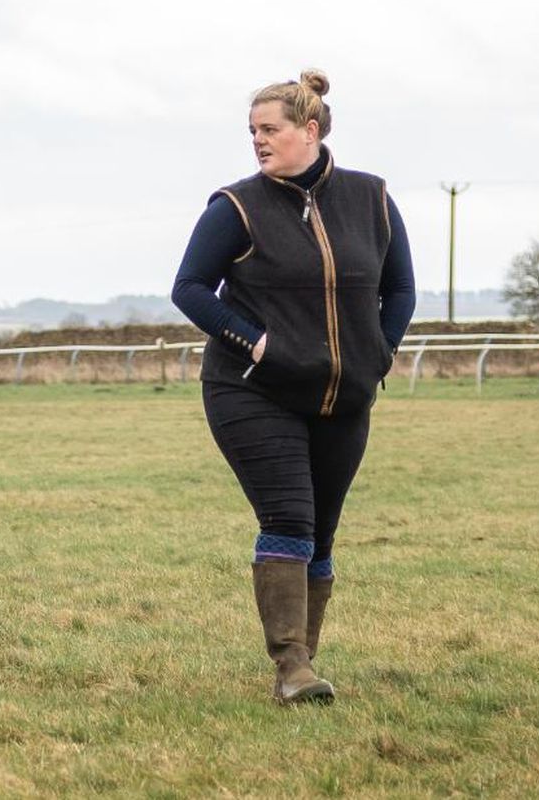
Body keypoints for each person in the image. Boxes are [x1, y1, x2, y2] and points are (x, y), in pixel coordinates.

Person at [169, 68, 412, 703]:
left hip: (344, 396)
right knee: (289, 517)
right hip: (253, 390)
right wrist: (255, 342)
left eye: (269, 129)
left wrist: (379, 354)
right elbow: (189, 288)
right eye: (252, 131)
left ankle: (304, 663)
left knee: (322, 533)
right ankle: (291, 668)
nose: (258, 140)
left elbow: (400, 289)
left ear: (310, 130)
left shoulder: (372, 199)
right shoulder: (236, 207)